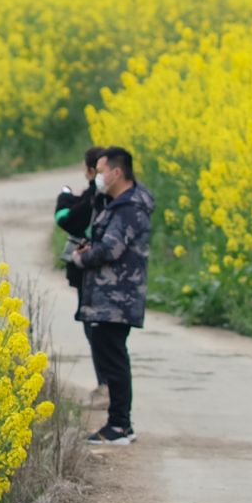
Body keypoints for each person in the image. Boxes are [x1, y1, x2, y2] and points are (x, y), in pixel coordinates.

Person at [67, 146, 154, 445]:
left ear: (117, 173)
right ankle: (119, 423)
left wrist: (82, 258)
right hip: (109, 296)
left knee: (114, 361)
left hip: (117, 298)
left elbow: (111, 249)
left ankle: (119, 425)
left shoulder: (128, 208)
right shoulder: (117, 203)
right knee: (111, 357)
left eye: (102, 171)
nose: (98, 177)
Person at [56, 146, 110, 409]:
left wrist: (63, 199)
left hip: (93, 273)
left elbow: (67, 219)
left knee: (97, 330)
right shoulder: (102, 196)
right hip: (92, 273)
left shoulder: (99, 197)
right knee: (99, 331)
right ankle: (107, 386)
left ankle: (106, 387)